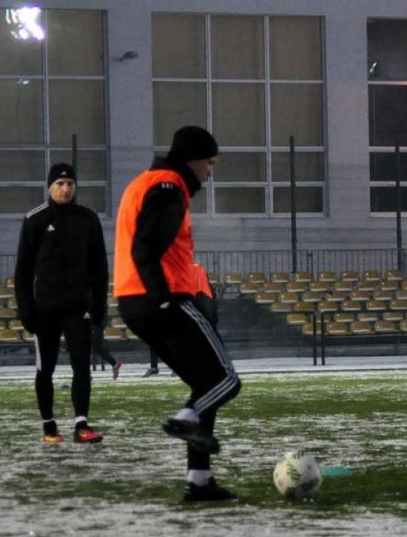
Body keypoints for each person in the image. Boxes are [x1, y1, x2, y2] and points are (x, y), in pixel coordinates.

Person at [114, 125, 242, 501]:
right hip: (162, 299)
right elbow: (145, 248)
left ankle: (198, 482)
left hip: (133, 300)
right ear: (192, 159)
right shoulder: (170, 186)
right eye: (209, 162)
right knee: (226, 380)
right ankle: (186, 418)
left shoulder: (148, 182)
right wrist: (165, 298)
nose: (210, 171)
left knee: (205, 384)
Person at [15, 162, 109, 445]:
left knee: (82, 366)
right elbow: (23, 270)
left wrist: (99, 306)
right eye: (59, 184)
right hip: (45, 309)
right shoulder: (35, 219)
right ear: (49, 187)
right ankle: (49, 427)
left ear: (75, 187)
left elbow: (99, 267)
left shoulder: (88, 219)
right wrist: (26, 310)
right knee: (47, 368)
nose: (65, 188)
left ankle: (82, 425)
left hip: (78, 306)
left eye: (70, 184)